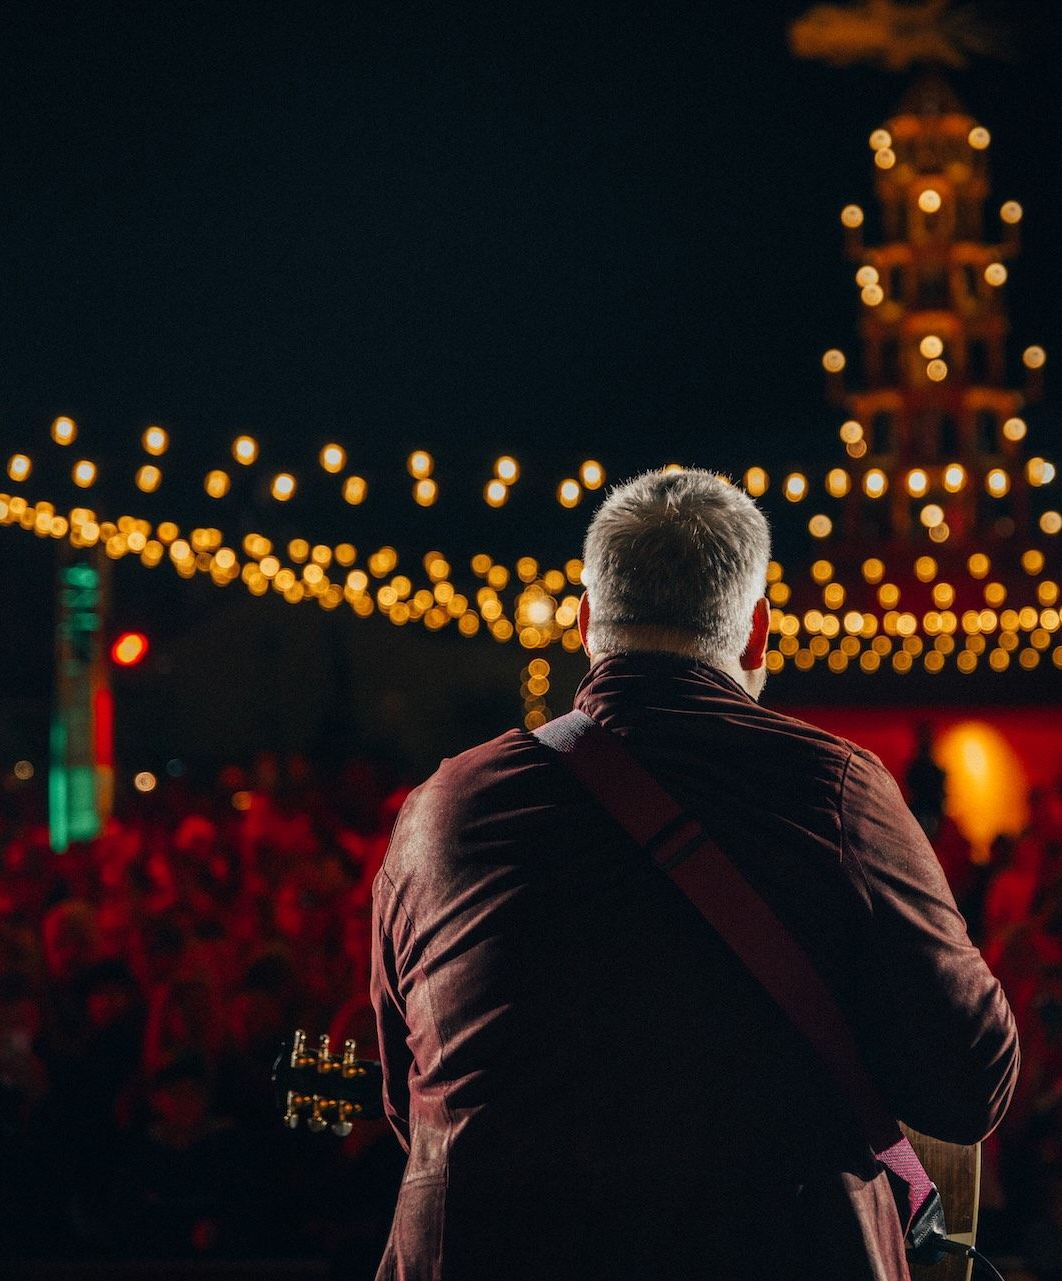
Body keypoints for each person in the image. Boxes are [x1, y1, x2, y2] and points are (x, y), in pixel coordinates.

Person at [369, 468, 1019, 1281]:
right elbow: (968, 1084)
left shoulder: (441, 808)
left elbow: (412, 1098)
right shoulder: (835, 790)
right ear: (757, 633)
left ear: (583, 623)